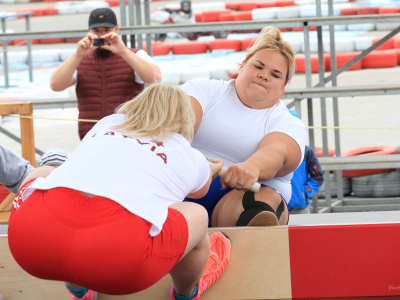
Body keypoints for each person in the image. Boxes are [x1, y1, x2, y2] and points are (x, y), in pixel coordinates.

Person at [8, 83, 231, 300]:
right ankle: (186, 293)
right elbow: (198, 193)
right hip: (120, 262)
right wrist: (207, 169)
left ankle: (78, 289)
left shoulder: (108, 123)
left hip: (27, 243)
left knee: (46, 171)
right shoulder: (184, 150)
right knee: (197, 214)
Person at [181, 26, 308, 227]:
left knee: (262, 203)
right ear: (242, 65)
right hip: (183, 184)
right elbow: (178, 125)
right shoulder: (203, 89)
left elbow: (278, 152)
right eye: (258, 66)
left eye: (275, 75)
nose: (264, 75)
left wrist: (251, 167)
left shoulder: (288, 122)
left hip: (240, 198)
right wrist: (187, 158)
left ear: (284, 86)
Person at [50, 7, 162, 140]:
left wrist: (123, 51)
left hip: (128, 135)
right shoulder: (80, 58)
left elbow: (155, 78)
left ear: (117, 29)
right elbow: (55, 85)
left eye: (107, 31)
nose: (101, 36)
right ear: (89, 31)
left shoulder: (135, 55)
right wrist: (78, 55)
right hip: (91, 136)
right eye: (96, 31)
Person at [287, 110, 324, 214]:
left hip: (300, 208)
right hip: (277, 208)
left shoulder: (307, 152)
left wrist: (305, 192)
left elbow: (318, 177)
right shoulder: (270, 152)